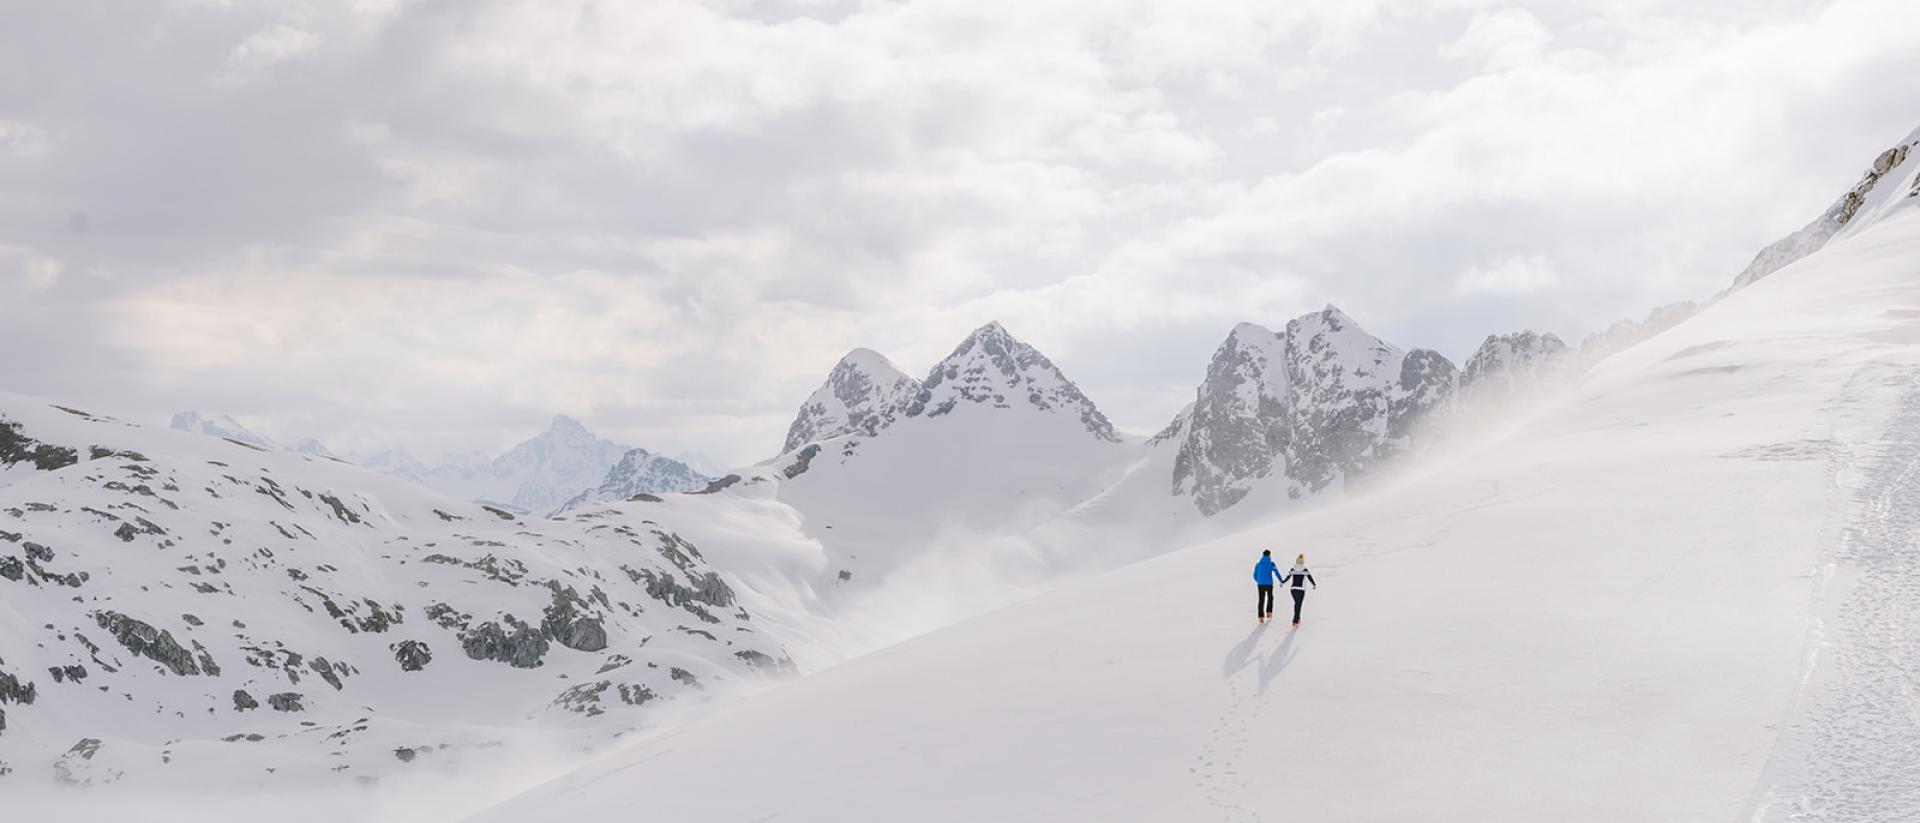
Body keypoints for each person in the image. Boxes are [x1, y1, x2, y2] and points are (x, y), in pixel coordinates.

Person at [1286, 553, 1317, 626]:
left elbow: (1288, 577)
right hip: (1301, 590)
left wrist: (1282, 582)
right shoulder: (1304, 569)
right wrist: (1314, 585)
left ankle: (1297, 618)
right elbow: (1310, 578)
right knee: (1298, 604)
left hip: (1293, 590)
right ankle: (1295, 620)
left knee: (1297, 604)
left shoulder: (1293, 568)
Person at [1252, 550, 1279, 623]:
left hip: (1260, 584)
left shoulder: (1258, 564)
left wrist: (1258, 581)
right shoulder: (1271, 563)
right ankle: (1269, 613)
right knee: (1270, 597)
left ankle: (1261, 617)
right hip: (1269, 584)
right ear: (1269, 555)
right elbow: (1276, 572)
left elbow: (1254, 574)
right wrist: (1281, 580)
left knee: (1261, 599)